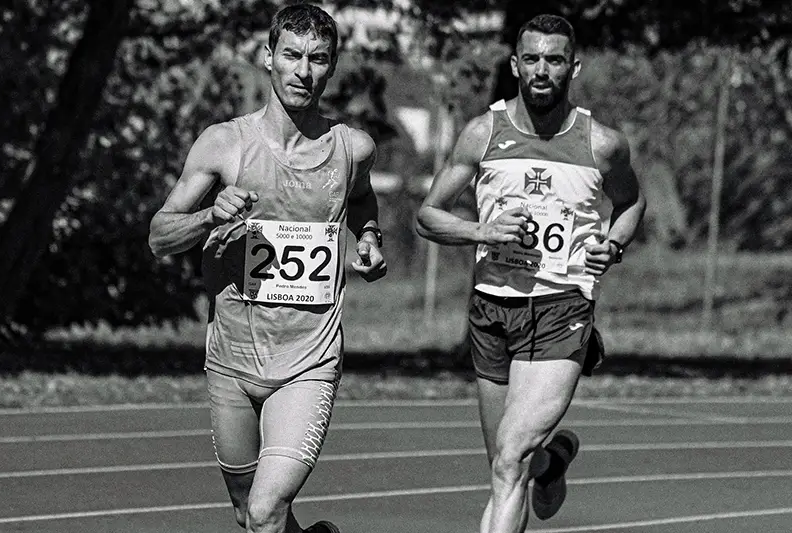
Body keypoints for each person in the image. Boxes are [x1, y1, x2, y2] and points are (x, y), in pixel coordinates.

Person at [148, 4, 387, 533]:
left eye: (318, 59)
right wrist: (212, 214)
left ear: (332, 66)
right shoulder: (225, 143)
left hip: (309, 358)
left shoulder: (353, 148)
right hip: (231, 360)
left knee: (264, 511)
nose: (304, 70)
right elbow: (160, 236)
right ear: (268, 58)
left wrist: (367, 236)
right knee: (245, 513)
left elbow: (364, 201)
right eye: (293, 55)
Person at [417, 14, 646, 533]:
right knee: (508, 462)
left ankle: (537, 461)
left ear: (574, 67)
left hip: (562, 306)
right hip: (493, 308)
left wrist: (613, 245)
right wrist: (482, 232)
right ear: (516, 64)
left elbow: (632, 202)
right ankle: (553, 461)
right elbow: (427, 215)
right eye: (533, 59)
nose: (543, 70)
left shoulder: (602, 143)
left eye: (556, 59)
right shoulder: (482, 133)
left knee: (508, 460)